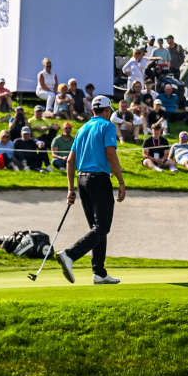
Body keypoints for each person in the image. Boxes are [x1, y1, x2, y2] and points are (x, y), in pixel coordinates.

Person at [55, 96, 125, 285]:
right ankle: (69, 255)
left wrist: (71, 189)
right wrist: (121, 181)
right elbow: (111, 153)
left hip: (82, 180)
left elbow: (70, 161)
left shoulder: (82, 128)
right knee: (102, 227)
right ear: (107, 110)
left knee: (97, 228)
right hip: (99, 180)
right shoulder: (107, 126)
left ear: (93, 110)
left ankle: (99, 273)